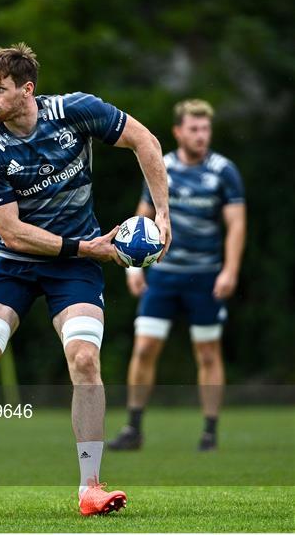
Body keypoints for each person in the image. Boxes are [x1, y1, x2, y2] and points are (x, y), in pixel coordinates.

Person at [0, 43, 171, 516]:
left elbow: (145, 140)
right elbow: (13, 232)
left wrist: (164, 215)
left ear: (27, 90)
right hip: (16, 262)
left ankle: (91, 486)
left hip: (75, 265)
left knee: (84, 359)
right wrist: (89, 247)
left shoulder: (76, 112)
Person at [108, 99, 246, 452]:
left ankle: (210, 433)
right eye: (194, 129)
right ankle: (133, 428)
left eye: (206, 129)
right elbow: (141, 217)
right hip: (164, 276)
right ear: (178, 132)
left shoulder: (223, 171)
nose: (201, 136)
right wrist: (134, 269)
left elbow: (236, 225)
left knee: (208, 353)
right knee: (144, 348)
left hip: (205, 276)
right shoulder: (162, 166)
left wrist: (229, 270)